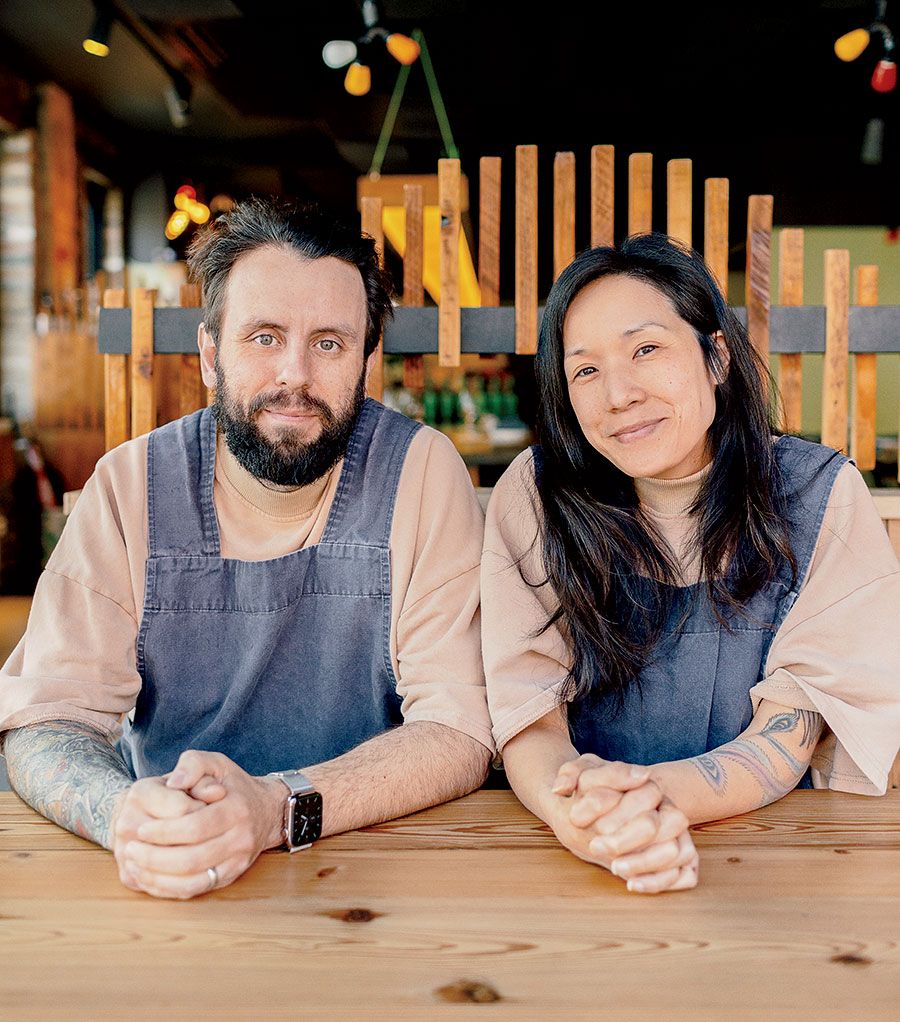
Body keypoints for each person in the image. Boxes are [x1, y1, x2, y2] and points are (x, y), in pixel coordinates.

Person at [0, 197, 492, 898]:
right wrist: (124, 815)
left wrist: (275, 807)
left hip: (375, 874)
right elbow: (48, 719)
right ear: (210, 354)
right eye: (264, 337)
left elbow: (460, 729)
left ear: (364, 361)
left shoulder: (420, 473)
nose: (294, 375)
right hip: (173, 874)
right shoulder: (130, 488)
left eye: (329, 343)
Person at [482, 233, 900, 894]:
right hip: (570, 860)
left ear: (716, 357)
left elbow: (789, 731)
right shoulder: (537, 495)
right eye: (585, 369)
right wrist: (585, 819)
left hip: (767, 865)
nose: (618, 393)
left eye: (646, 348)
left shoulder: (817, 495)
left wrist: (644, 798)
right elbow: (528, 717)